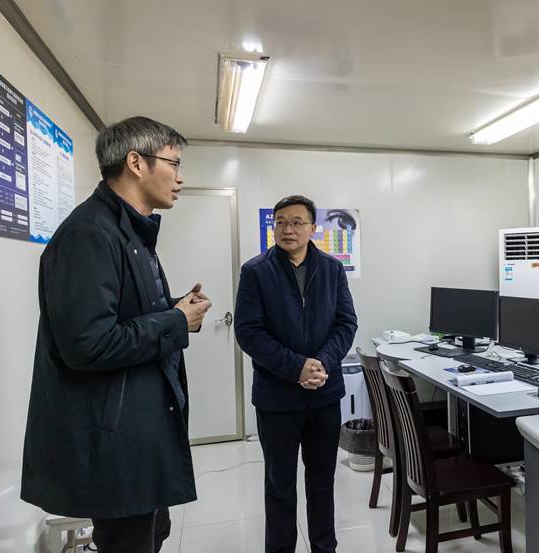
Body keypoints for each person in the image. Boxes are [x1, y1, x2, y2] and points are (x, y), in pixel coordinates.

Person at [20, 116, 212, 553]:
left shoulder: (129, 231)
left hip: (139, 433)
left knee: (152, 533)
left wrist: (177, 309)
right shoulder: (89, 233)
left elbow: (127, 313)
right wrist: (175, 321)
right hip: (114, 440)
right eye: (174, 163)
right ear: (136, 163)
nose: (180, 178)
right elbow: (88, 344)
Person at [234, 195, 358, 553]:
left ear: (312, 228)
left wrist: (321, 363)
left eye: (297, 222)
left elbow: (346, 323)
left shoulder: (332, 269)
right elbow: (248, 332)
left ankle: (324, 547)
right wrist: (296, 367)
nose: (288, 229)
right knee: (279, 486)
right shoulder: (256, 271)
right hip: (277, 399)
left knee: (322, 483)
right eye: (281, 222)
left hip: (324, 395)